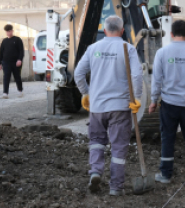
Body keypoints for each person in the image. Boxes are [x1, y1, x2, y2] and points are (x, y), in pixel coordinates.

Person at [74, 15, 143, 196]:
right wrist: (136, 97)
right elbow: (136, 76)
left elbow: (78, 74)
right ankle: (115, 187)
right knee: (118, 147)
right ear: (122, 31)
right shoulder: (127, 48)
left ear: (104, 30)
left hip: (97, 107)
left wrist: (86, 93)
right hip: (120, 107)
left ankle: (96, 171)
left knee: (96, 142)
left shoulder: (93, 48)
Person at [149, 20, 185, 183]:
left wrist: (153, 100)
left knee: (167, 137)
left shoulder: (162, 53)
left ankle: (166, 174)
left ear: (171, 34)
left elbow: (156, 80)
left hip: (169, 104)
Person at [0, 24, 24, 99]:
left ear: (12, 31)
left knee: (17, 77)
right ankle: (5, 93)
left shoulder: (17, 40)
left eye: (9, 31)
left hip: (16, 62)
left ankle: (20, 90)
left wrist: (20, 59)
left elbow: (21, 51)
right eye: (7, 31)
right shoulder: (4, 41)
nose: (8, 33)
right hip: (6, 62)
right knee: (6, 77)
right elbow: (1, 52)